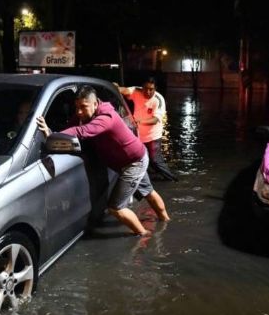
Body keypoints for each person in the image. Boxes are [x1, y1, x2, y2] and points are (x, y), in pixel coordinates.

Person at [36, 85, 170, 236]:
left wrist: (52, 135)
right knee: (148, 191)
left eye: (83, 107)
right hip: (130, 158)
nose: (79, 111)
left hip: (134, 162)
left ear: (95, 103)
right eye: (77, 107)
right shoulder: (84, 116)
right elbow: (72, 127)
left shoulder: (106, 118)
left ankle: (145, 235)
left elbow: (81, 132)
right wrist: (58, 133)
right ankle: (166, 222)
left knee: (116, 207)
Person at [116, 77, 178, 182]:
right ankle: (146, 179)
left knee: (155, 160)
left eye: (151, 89)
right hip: (139, 135)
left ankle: (172, 179)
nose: (148, 92)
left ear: (155, 89)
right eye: (145, 88)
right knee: (140, 158)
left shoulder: (158, 99)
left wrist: (139, 122)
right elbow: (124, 90)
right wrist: (116, 87)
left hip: (153, 136)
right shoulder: (136, 91)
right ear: (142, 87)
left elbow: (155, 120)